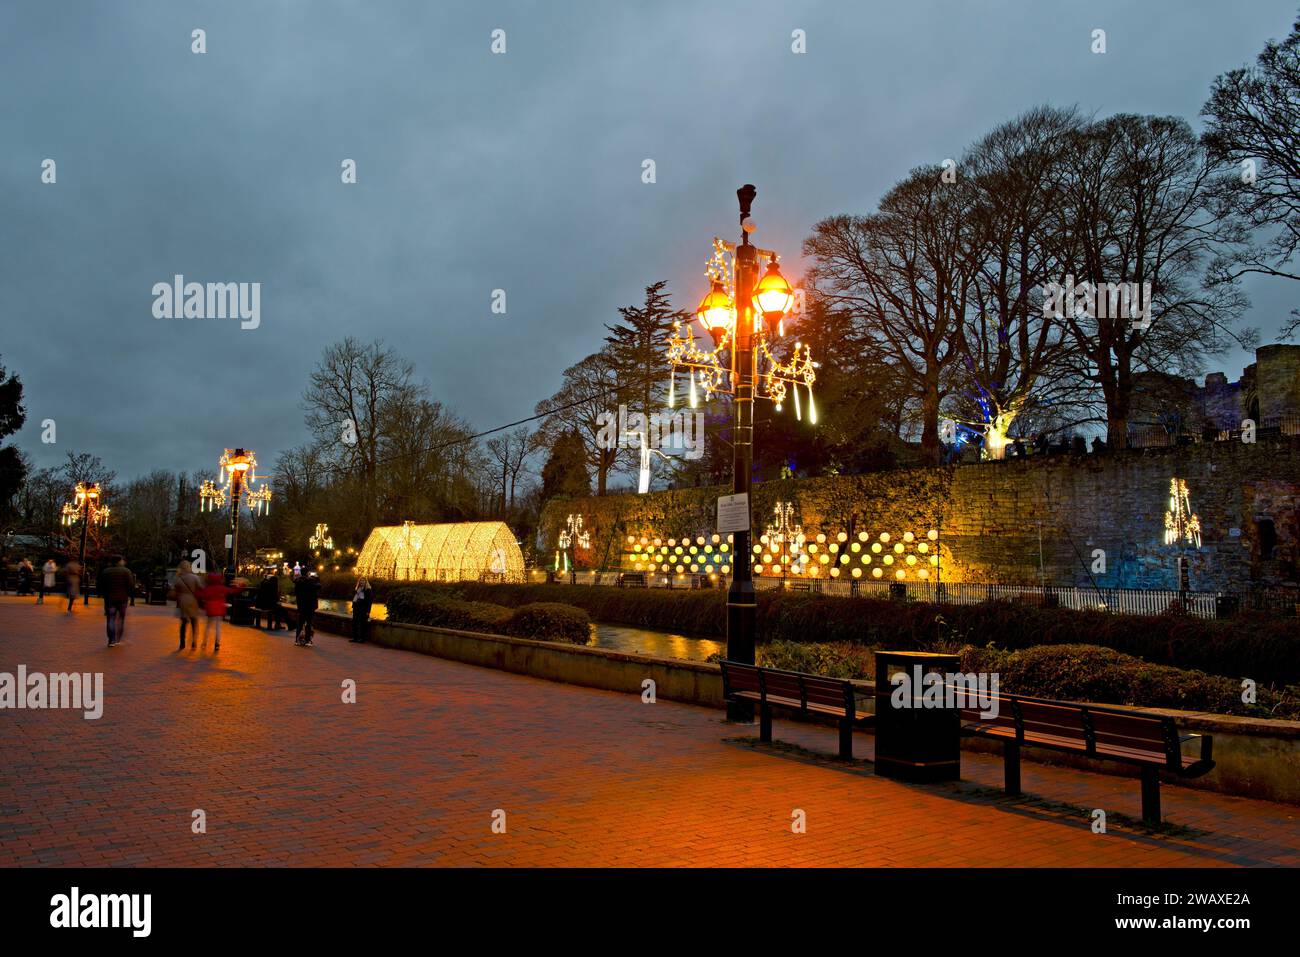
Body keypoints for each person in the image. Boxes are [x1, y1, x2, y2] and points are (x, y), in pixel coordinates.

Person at [97, 555, 136, 647]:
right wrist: (130, 595)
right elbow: (130, 585)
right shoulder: (126, 571)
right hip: (122, 599)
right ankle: (118, 637)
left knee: (110, 618)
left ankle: (111, 639)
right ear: (119, 561)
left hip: (110, 599)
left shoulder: (106, 572)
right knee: (121, 618)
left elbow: (100, 585)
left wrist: (103, 594)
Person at [195, 572, 235, 653]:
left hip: (210, 610)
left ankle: (204, 642)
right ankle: (217, 644)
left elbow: (198, 594)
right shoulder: (221, 588)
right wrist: (241, 586)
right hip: (219, 610)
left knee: (208, 627)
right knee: (218, 628)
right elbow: (232, 591)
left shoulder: (208, 588)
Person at [169, 560, 203, 650]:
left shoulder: (178, 578)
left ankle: (182, 643)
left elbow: (173, 592)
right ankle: (194, 642)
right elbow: (201, 588)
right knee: (194, 622)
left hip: (182, 602)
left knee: (183, 623)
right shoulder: (195, 577)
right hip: (192, 601)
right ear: (189, 567)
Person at [294, 571, 320, 646]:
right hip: (310, 606)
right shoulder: (311, 582)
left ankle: (297, 640)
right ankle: (307, 640)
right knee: (309, 623)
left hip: (301, 605)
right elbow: (319, 586)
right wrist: (315, 578)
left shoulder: (298, 582)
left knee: (300, 622)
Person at [350, 576, 373, 643]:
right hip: (356, 608)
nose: (361, 582)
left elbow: (369, 601)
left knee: (363, 624)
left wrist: (368, 611)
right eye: (360, 581)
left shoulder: (368, 590)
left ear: (366, 582)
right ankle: (355, 637)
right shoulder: (357, 589)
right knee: (355, 623)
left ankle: (362, 639)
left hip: (363, 609)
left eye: (363, 581)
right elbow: (354, 598)